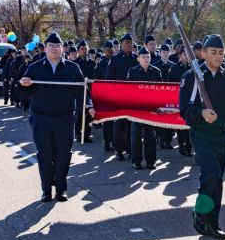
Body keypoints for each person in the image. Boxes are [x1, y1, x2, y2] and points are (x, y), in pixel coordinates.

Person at [179, 34, 225, 240]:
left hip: (220, 135)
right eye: (213, 52)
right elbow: (185, 109)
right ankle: (201, 216)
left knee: (217, 179)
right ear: (203, 53)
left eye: (220, 53)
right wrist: (201, 113)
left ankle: (213, 221)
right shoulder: (193, 76)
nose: (217, 57)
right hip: (201, 134)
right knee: (210, 175)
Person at [19, 32, 94, 202]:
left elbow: (82, 91)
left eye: (57, 46)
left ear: (62, 49)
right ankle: (46, 189)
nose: (54, 48)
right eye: (51, 46)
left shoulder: (72, 68)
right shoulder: (35, 68)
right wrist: (24, 84)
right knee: (45, 154)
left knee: (63, 154)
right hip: (41, 119)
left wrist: (89, 107)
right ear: (45, 48)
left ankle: (61, 189)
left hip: (65, 118)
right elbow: (22, 92)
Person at [126, 47, 163, 169]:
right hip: (137, 108)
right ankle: (136, 161)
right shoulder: (132, 71)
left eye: (148, 57)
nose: (146, 59)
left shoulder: (156, 71)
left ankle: (151, 161)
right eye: (143, 57)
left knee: (150, 135)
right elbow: (128, 90)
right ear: (138, 59)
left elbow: (161, 90)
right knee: (136, 135)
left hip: (151, 108)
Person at [106, 33, 139, 160]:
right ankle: (118, 150)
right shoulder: (115, 59)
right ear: (121, 44)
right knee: (120, 125)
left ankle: (131, 150)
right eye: (126, 42)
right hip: (119, 97)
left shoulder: (136, 58)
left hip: (133, 97)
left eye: (131, 42)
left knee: (132, 125)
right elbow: (109, 79)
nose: (129, 45)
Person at [169, 50, 194, 157]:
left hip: (190, 99)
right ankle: (181, 146)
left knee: (188, 125)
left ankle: (188, 148)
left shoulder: (191, 68)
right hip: (177, 98)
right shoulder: (174, 68)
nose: (187, 57)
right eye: (185, 54)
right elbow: (169, 84)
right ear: (180, 55)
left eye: (188, 55)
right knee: (179, 125)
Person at [73, 40, 97, 143]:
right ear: (78, 51)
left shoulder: (92, 63)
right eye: (82, 49)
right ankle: (79, 135)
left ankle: (86, 135)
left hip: (90, 91)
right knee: (79, 114)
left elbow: (95, 77)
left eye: (85, 49)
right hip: (79, 92)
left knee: (89, 114)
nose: (84, 51)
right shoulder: (75, 64)